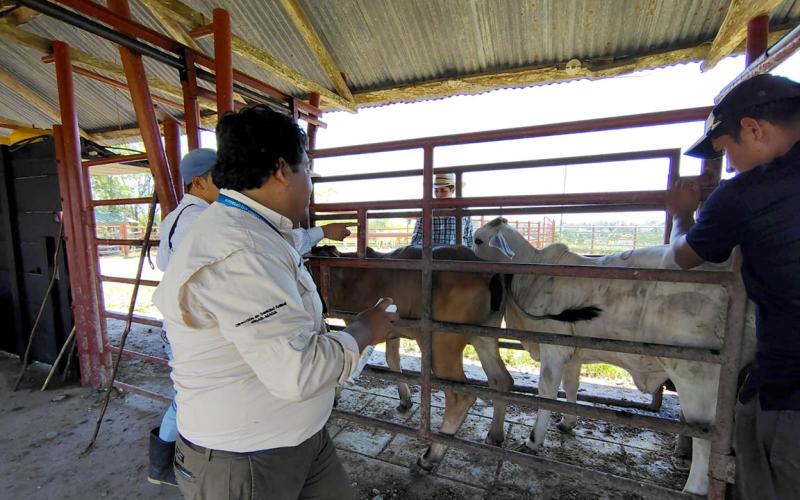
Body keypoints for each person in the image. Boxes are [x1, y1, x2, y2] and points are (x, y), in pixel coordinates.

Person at [152, 104, 397, 499]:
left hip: (297, 435)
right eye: (308, 170)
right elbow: (296, 372)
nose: (310, 182)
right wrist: (363, 331)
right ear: (284, 171)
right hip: (245, 456)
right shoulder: (240, 250)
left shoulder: (254, 230)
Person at [666, 74, 800, 500]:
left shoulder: (744, 194)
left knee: (765, 479)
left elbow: (683, 258)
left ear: (754, 129)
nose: (728, 168)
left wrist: (684, 215)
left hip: (790, 387)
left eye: (726, 154)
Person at [410, 172, 474, 247]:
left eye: (443, 191)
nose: (439, 194)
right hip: (434, 256)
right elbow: (416, 238)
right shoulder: (427, 211)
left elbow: (468, 238)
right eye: (436, 190)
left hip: (455, 256)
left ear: (452, 190)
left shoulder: (464, 211)